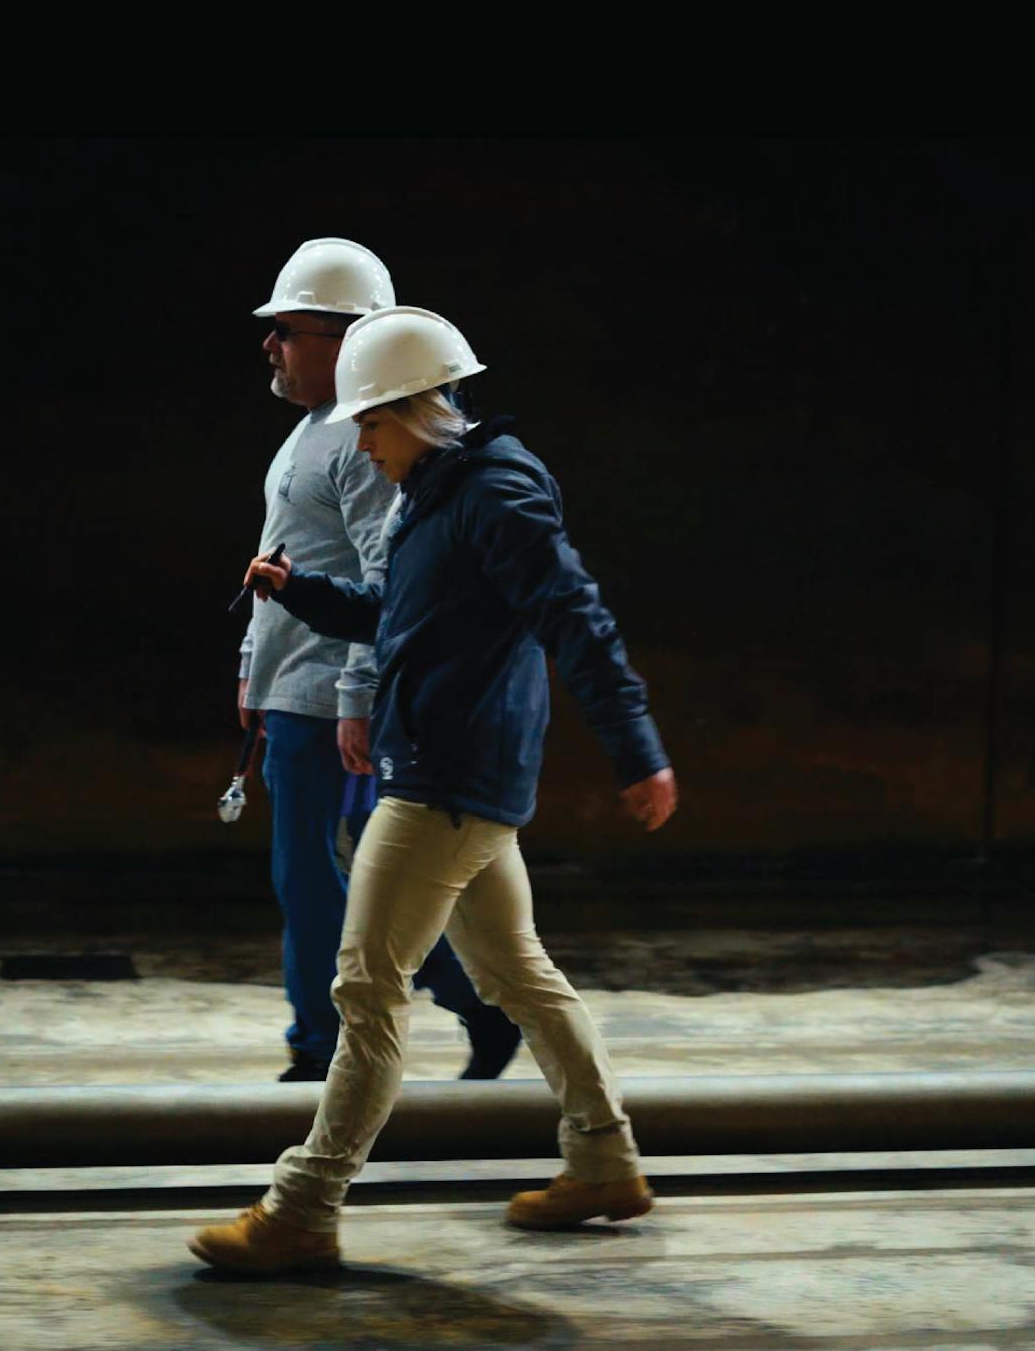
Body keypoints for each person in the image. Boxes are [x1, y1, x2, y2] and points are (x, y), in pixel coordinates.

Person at [193, 305, 678, 1273]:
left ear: (415, 408)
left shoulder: (494, 492)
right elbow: (394, 616)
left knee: (365, 986)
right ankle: (603, 1159)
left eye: (368, 423)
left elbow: (574, 615)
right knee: (520, 974)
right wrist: (299, 592)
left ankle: (301, 1205)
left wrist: (636, 748)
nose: (359, 443)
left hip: (447, 780)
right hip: (456, 773)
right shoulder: (433, 489)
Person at [241, 240, 521, 1084]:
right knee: (332, 877)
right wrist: (255, 675)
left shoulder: (360, 441)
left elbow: (383, 577)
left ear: (344, 338)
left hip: (333, 702)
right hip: (299, 694)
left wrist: (358, 693)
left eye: (287, 329)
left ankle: (320, 1050)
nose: (271, 345)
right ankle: (475, 1000)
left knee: (317, 881)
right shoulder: (309, 434)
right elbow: (282, 555)